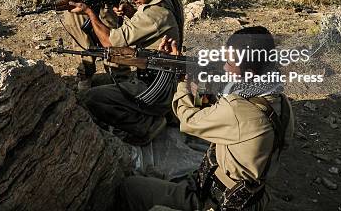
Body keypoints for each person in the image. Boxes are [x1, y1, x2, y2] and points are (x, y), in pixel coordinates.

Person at [119, 26, 295, 211]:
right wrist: (195, 76)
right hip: (251, 197)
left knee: (131, 188)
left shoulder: (237, 108)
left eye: (229, 63)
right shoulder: (279, 101)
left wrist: (182, 81)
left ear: (249, 72)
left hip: (216, 201)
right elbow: (218, 111)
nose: (225, 67)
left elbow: (188, 119)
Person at [69, 0, 184, 146]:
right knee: (99, 82)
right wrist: (132, 13)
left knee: (90, 98)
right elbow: (150, 30)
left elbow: (110, 42)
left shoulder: (153, 15)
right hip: (166, 79)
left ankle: (146, 125)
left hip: (153, 87)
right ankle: (157, 113)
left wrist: (90, 13)